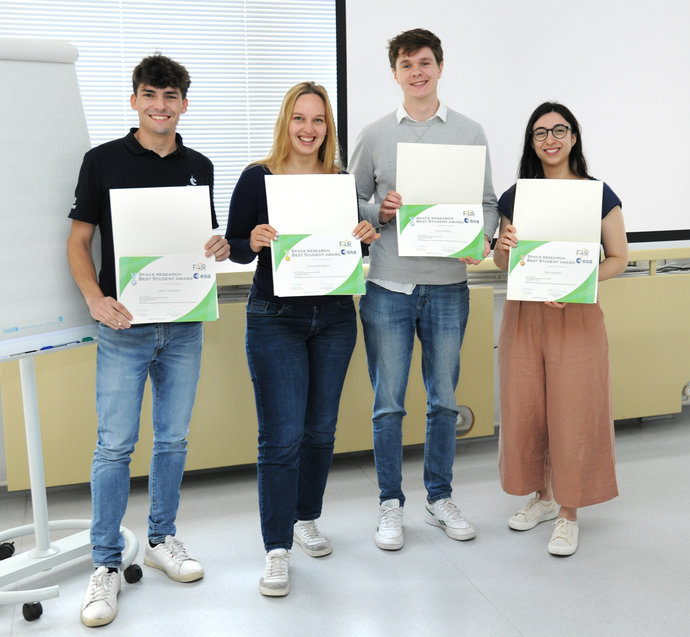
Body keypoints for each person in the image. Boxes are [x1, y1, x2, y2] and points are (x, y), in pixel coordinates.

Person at [67, 54, 230, 627]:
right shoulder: (102, 161)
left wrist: (218, 247)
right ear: (134, 100)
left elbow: (202, 242)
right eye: (150, 95)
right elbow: (78, 240)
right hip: (122, 327)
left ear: (184, 103)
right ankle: (106, 563)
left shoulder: (200, 166)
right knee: (114, 446)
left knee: (173, 439)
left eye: (171, 96)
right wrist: (94, 298)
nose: (161, 106)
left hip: (184, 324)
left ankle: (162, 539)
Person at [348, 28, 499, 551]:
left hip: (449, 287)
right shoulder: (373, 134)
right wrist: (379, 210)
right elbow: (352, 202)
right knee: (388, 404)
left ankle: (439, 497)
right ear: (395, 72)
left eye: (425, 62)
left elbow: (487, 203)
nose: (417, 72)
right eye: (407, 64)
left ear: (440, 67)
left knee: (443, 401)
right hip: (388, 287)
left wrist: (482, 238)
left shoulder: (469, 131)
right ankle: (390, 503)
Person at [225, 82, 378, 596]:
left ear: (327, 128)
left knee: (320, 431)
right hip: (275, 318)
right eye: (299, 118)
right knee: (281, 436)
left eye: (318, 120)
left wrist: (363, 238)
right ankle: (276, 548)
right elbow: (235, 246)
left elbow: (348, 252)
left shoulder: (339, 181)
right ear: (285, 123)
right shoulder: (258, 177)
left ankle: (305, 517)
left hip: (334, 316)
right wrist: (252, 240)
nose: (308, 129)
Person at [493, 102, 628, 556]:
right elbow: (503, 262)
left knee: (574, 412)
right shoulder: (516, 196)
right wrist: (503, 246)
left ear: (573, 137)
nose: (550, 139)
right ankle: (544, 497)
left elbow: (619, 258)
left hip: (577, 315)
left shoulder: (597, 194)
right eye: (540, 132)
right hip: (524, 315)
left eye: (558, 130)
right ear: (531, 143)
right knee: (526, 408)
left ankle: (569, 512)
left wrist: (579, 283)